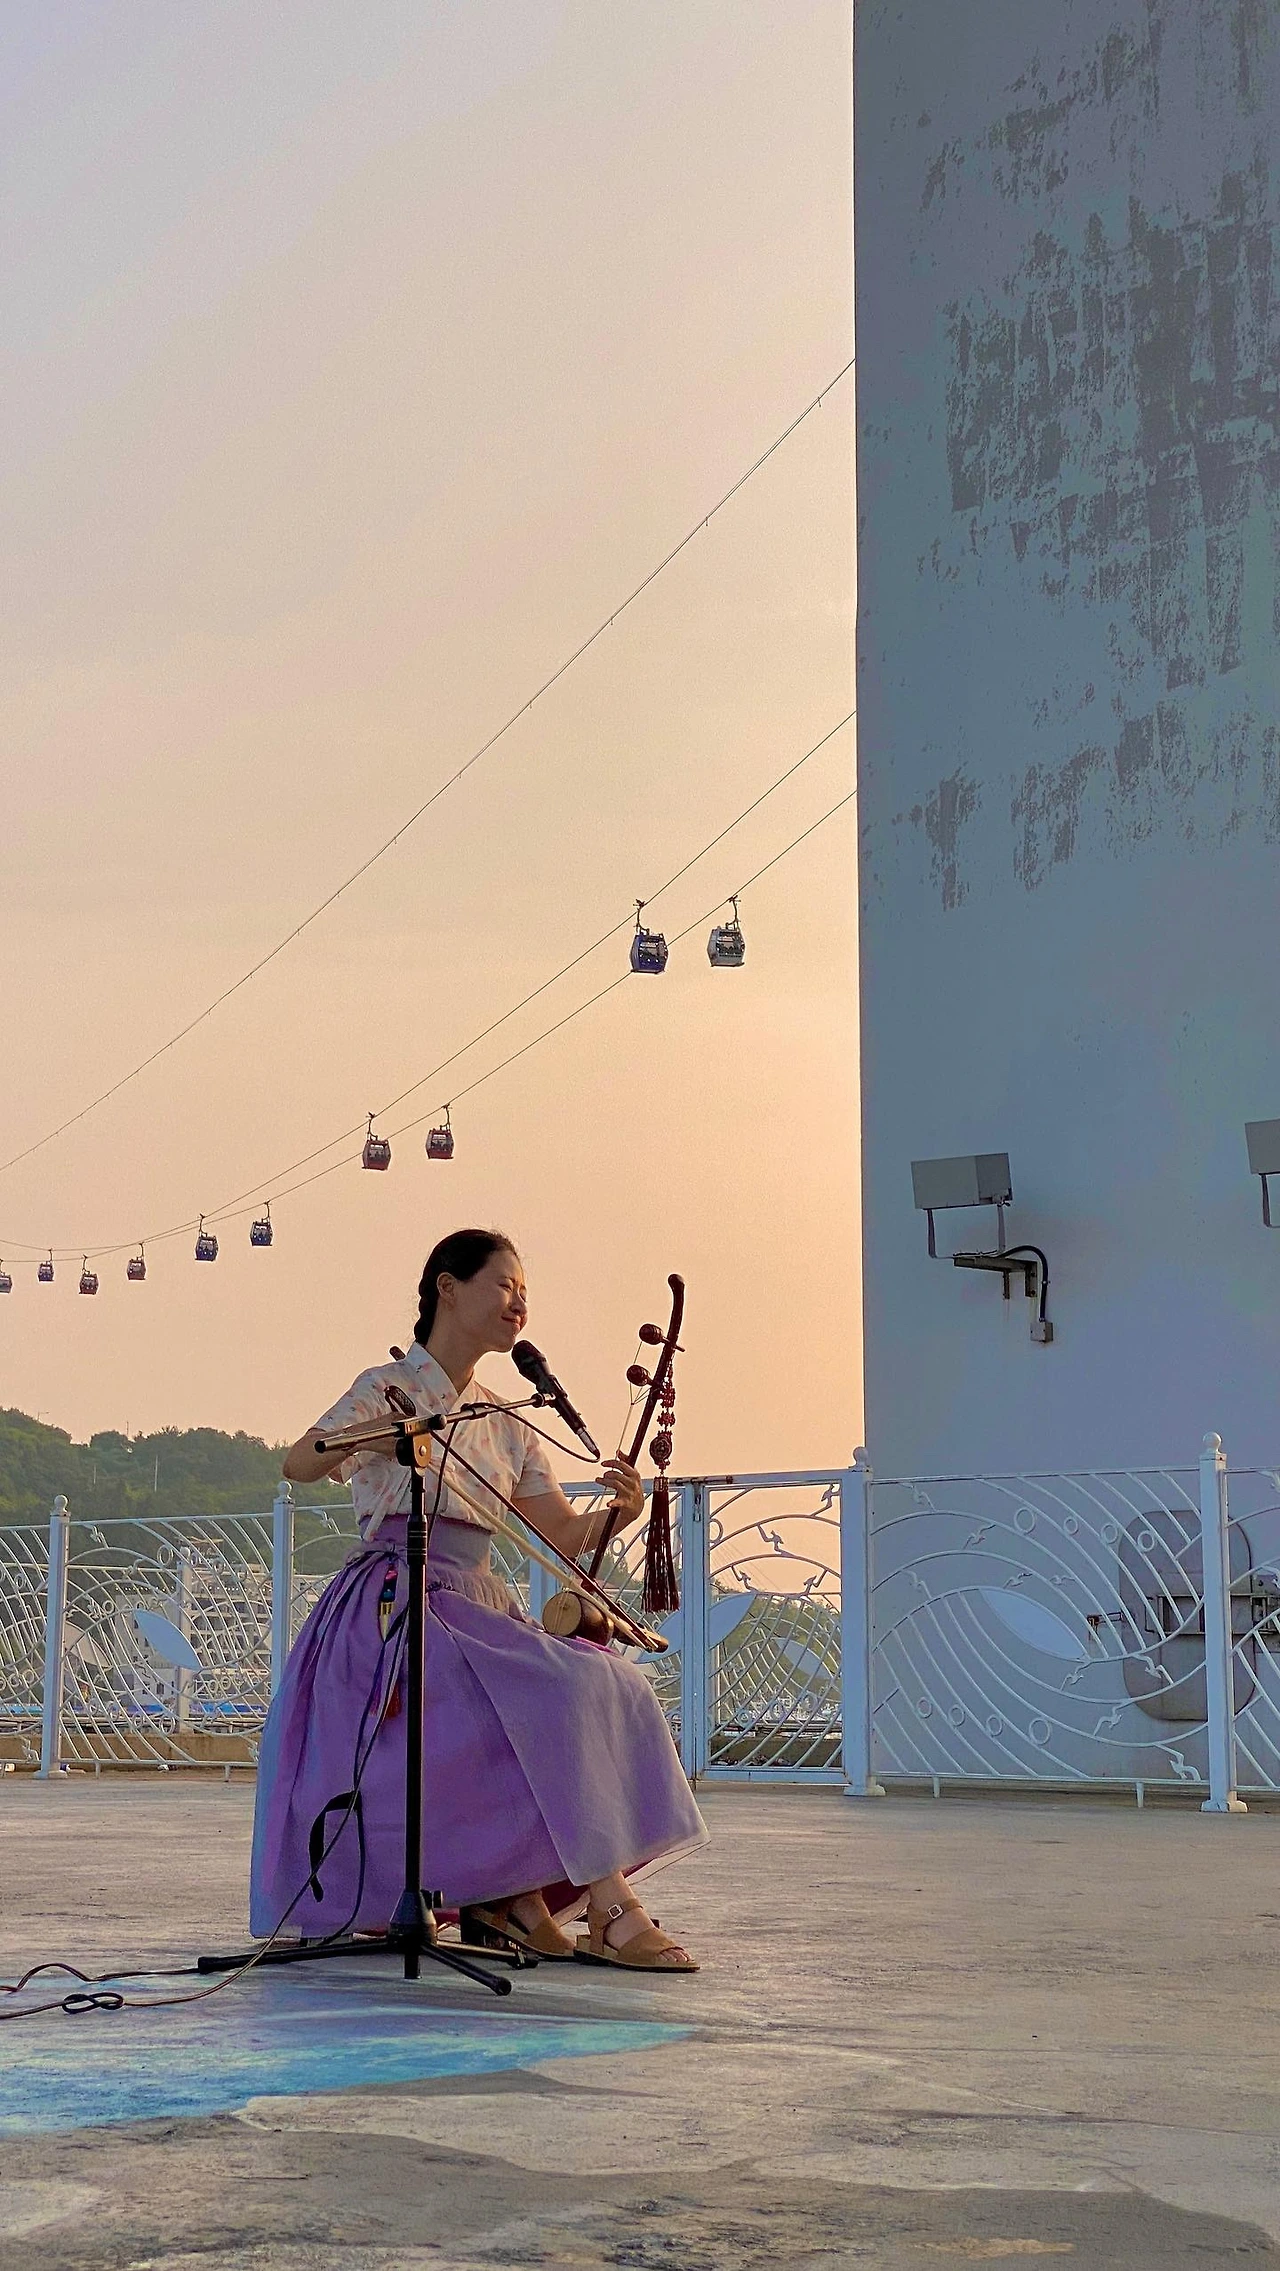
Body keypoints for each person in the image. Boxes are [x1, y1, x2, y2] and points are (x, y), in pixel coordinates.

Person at [250, 1227, 706, 1969]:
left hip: (476, 1601)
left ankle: (514, 1900)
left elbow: (563, 1532)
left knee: (608, 1681)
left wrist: (619, 1513)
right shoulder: (386, 1387)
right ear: (448, 1288)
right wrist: (382, 1434)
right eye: (504, 1285)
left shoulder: (505, 1417)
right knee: (548, 1692)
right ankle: (599, 1905)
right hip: (395, 1603)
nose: (519, 1303)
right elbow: (300, 1461)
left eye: (526, 1293)